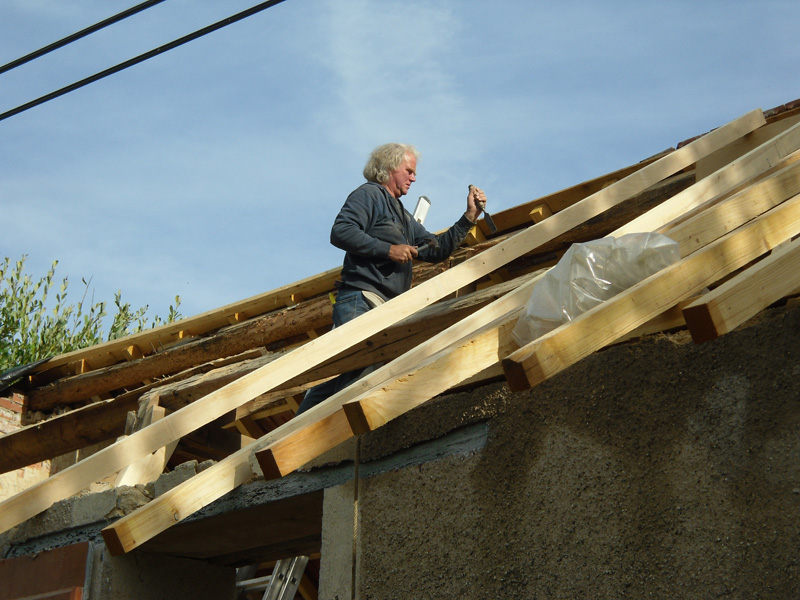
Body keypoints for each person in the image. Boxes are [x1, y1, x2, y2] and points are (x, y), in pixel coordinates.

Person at [296, 142, 487, 414]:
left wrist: (469, 217)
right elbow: (341, 231)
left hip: (386, 308)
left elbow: (436, 250)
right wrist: (388, 249)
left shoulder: (402, 214)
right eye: (408, 170)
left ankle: (300, 433)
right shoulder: (368, 195)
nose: (414, 177)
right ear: (387, 170)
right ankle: (301, 436)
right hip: (361, 299)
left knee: (349, 373)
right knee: (355, 365)